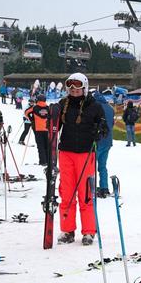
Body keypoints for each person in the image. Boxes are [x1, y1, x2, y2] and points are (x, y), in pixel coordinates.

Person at [55, 73, 106, 245]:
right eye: (71, 88)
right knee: (67, 193)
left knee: (85, 194)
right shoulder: (63, 104)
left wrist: (100, 130)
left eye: (77, 88)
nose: (74, 91)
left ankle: (89, 231)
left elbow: (105, 127)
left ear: (84, 87)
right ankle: (68, 230)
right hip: (66, 153)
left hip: (86, 153)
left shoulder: (95, 106)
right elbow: (55, 127)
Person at [93, 91, 115, 196]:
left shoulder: (95, 107)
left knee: (91, 166)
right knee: (103, 166)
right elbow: (112, 124)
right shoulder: (110, 108)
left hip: (97, 140)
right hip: (108, 140)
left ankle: (90, 187)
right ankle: (104, 187)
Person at [25, 94, 52, 166]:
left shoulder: (34, 107)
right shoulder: (48, 108)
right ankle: (48, 161)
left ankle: (42, 161)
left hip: (38, 129)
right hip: (47, 129)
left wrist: (31, 119)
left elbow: (26, 112)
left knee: (40, 146)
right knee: (47, 146)